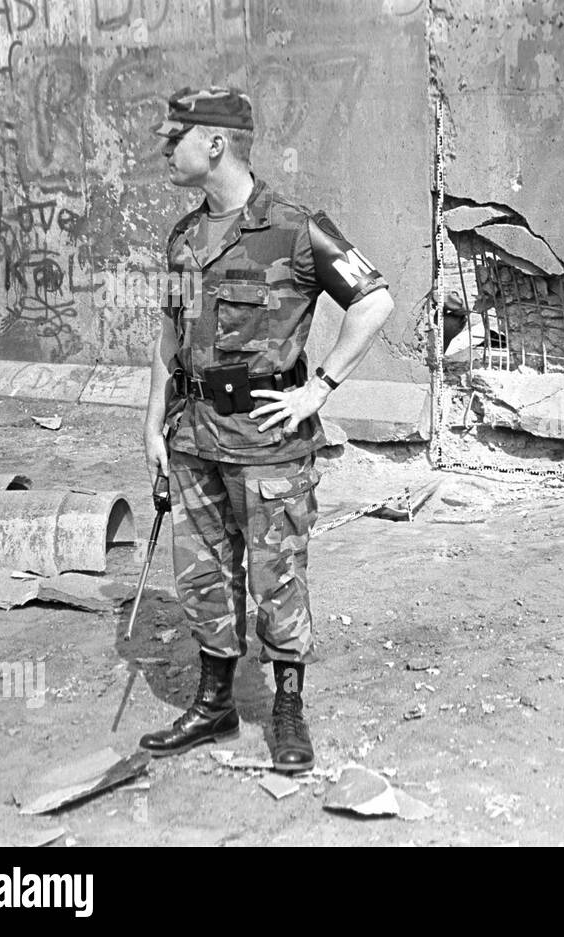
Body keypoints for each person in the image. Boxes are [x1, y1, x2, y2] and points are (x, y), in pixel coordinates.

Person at [138, 86, 394, 771]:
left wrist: (320, 388)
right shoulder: (184, 237)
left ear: (215, 143)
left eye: (176, 137)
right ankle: (215, 701)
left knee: (276, 576)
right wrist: (153, 421)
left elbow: (374, 299)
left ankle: (286, 708)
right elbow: (169, 332)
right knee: (202, 575)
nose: (165, 148)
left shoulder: (294, 228)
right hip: (193, 437)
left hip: (267, 442)